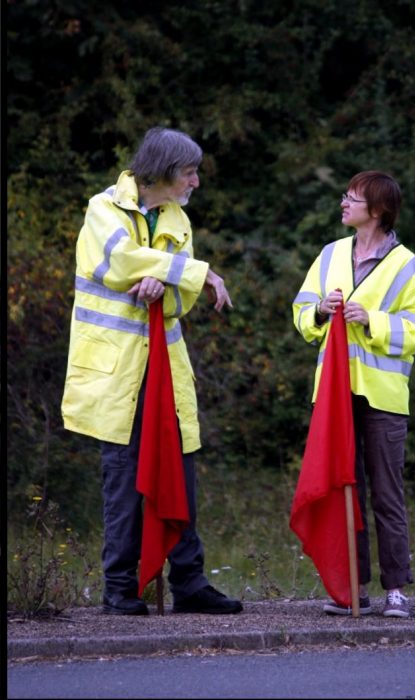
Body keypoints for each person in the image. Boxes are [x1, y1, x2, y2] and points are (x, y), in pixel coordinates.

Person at [61, 127, 243, 616]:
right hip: (116, 372)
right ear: (163, 173)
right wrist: (197, 272)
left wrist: (166, 283)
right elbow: (117, 261)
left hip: (165, 368)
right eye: (190, 173)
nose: (196, 183)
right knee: (122, 480)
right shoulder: (103, 209)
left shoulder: (176, 218)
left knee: (179, 473)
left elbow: (178, 298)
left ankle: (189, 583)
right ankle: (119, 588)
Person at [292, 170, 415, 618]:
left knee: (386, 495)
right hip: (333, 395)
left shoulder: (407, 264)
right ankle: (351, 589)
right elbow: (301, 312)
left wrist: (370, 319)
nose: (343, 204)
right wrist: (319, 310)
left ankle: (396, 589)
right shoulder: (330, 254)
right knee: (341, 491)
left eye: (351, 198)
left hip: (382, 398)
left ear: (377, 210)